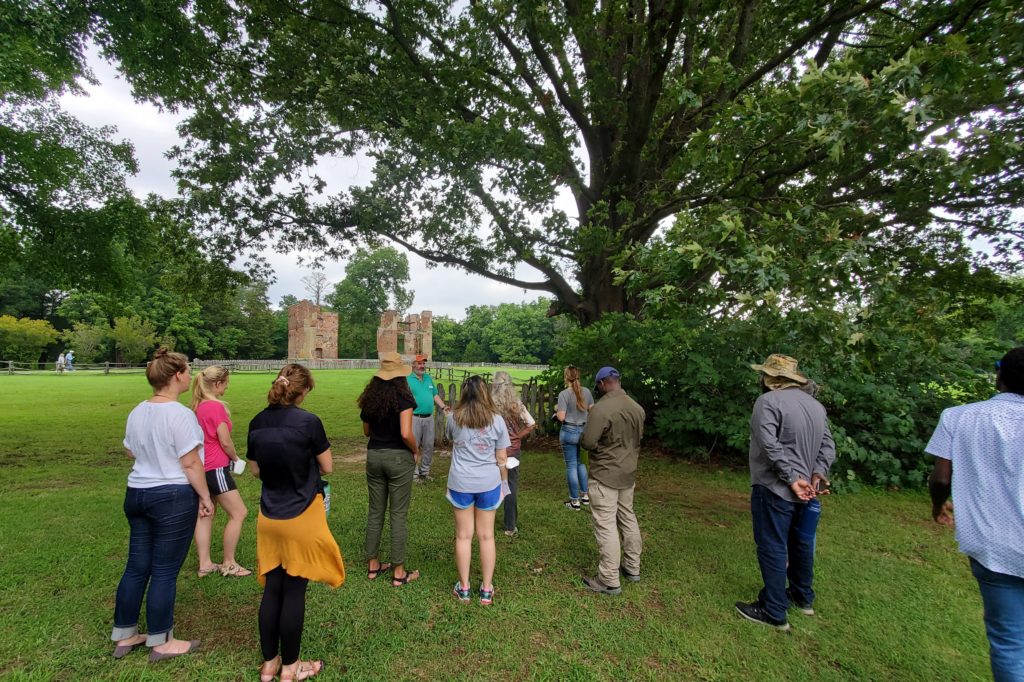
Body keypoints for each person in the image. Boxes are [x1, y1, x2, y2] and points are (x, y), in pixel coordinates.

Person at [926, 347, 1024, 682]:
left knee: (1010, 642)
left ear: (1000, 376)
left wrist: (938, 506)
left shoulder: (959, 417)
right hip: (997, 544)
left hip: (994, 544)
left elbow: (940, 478)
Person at [110, 348, 214, 662]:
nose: (189, 376)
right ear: (177, 375)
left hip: (138, 492)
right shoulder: (180, 414)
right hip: (171, 495)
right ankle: (161, 640)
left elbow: (130, 450)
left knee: (136, 566)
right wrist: (206, 497)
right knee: (165, 570)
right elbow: (191, 463)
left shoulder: (138, 410)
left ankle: (125, 633)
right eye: (186, 371)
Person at [248, 364, 344, 682]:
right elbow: (327, 466)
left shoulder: (257, 422)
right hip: (302, 513)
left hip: (269, 515)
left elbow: (255, 470)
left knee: (273, 588)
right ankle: (290, 667)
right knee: (294, 590)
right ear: (302, 392)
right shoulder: (308, 422)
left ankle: (269, 664)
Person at [735, 354, 835, 632]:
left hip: (774, 487)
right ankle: (803, 597)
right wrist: (817, 474)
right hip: (806, 491)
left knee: (773, 545)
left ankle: (773, 609)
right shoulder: (815, 406)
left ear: (770, 378)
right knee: (800, 543)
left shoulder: (767, 402)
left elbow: (768, 444)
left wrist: (792, 478)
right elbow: (828, 446)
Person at [579, 367, 646, 595]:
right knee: (628, 517)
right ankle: (632, 567)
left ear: (602, 384)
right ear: (617, 381)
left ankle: (608, 578)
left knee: (606, 524)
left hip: (605, 474)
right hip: (628, 473)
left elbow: (588, 442)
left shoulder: (601, 409)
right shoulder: (637, 409)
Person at [357, 351, 421, 586]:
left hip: (374, 456)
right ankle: (398, 571)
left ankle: (373, 565)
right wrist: (416, 450)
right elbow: (406, 433)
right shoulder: (404, 399)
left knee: (375, 511)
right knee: (398, 514)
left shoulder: (369, 399)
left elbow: (366, 432)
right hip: (397, 458)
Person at [446, 375, 510, 606]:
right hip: (488, 483)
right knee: (486, 536)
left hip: (461, 482)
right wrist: (504, 484)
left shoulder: (454, 418)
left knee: (463, 535)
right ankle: (486, 589)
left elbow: (449, 439)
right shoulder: (497, 420)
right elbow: (502, 458)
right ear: (485, 393)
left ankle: (464, 588)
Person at [190, 365, 251, 578]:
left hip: (201, 467)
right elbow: (225, 441)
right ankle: (229, 563)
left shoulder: (197, 406)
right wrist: (235, 459)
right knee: (239, 512)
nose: (226, 388)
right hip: (216, 467)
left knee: (206, 513)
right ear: (217, 384)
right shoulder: (215, 408)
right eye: (226, 384)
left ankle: (205, 564)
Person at [490, 371, 535, 537]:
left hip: (494, 450)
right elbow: (531, 423)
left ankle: (486, 519)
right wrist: (518, 435)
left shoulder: (491, 405)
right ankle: (510, 525)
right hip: (513, 450)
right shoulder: (517, 404)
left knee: (492, 484)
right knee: (510, 486)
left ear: (495, 385)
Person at [556, 366, 595, 511]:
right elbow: (592, 409)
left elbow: (561, 417)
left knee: (571, 465)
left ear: (566, 377)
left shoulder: (564, 394)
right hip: (583, 431)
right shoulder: (586, 392)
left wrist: (556, 410)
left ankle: (574, 500)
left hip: (569, 431)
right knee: (581, 464)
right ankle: (585, 495)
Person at [407, 353, 449, 482]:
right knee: (414, 446)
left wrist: (443, 407)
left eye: (423, 364)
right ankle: (413, 474)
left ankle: (424, 472)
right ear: (413, 365)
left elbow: (435, 395)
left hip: (429, 418)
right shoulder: (407, 380)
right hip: (414, 417)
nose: (422, 366)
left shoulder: (428, 378)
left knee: (429, 445)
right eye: (419, 363)